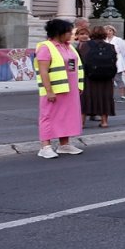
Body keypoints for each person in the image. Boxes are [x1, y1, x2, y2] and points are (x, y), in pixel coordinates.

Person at [35, 19, 85, 159]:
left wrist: (79, 85)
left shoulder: (69, 46)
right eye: (69, 32)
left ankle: (64, 145)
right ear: (59, 33)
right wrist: (49, 90)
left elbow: (75, 66)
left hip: (70, 89)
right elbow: (43, 71)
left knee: (67, 116)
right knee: (48, 116)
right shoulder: (46, 47)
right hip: (55, 89)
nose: (71, 34)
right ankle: (45, 147)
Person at [78, 26, 117, 128]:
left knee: (86, 98)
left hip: (89, 77)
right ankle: (104, 122)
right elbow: (114, 60)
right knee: (105, 98)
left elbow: (81, 60)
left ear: (92, 34)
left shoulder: (85, 46)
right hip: (106, 77)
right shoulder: (110, 46)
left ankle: (81, 123)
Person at [103, 25, 125, 102]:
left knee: (118, 79)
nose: (108, 32)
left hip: (117, 62)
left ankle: (123, 96)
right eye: (107, 31)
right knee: (109, 81)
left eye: (110, 30)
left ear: (113, 31)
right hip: (107, 62)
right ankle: (111, 97)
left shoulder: (118, 40)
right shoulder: (104, 40)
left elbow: (123, 53)